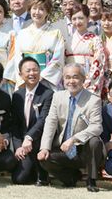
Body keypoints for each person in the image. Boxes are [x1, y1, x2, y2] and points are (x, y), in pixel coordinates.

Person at [37, 64, 104, 192]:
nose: (71, 81)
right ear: (63, 79)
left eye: (75, 77)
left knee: (94, 141)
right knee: (44, 158)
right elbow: (50, 122)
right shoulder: (58, 97)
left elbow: (97, 127)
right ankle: (71, 178)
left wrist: (74, 139)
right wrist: (44, 147)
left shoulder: (93, 100)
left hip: (84, 150)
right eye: (67, 77)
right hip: (63, 149)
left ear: (83, 80)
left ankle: (91, 179)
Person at [5, 0, 65, 91]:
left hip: (47, 80)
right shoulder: (22, 33)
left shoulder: (55, 33)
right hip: (26, 80)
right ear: (29, 10)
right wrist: (25, 76)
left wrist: (42, 76)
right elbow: (18, 59)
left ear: (47, 12)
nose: (37, 12)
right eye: (34, 8)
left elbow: (58, 59)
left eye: (41, 9)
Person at [11, 57, 53, 185]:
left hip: (40, 142)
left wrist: (29, 137)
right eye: (28, 70)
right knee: (19, 179)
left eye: (35, 70)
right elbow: (15, 123)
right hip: (24, 144)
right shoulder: (17, 95)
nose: (32, 73)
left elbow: (43, 120)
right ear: (20, 74)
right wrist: (18, 146)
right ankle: (32, 169)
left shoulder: (48, 94)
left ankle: (43, 172)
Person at [64, 4, 106, 97]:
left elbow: (99, 63)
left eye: (80, 18)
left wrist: (87, 83)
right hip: (70, 80)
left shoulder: (95, 39)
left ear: (87, 19)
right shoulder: (67, 40)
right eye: (74, 19)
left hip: (88, 79)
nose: (77, 22)